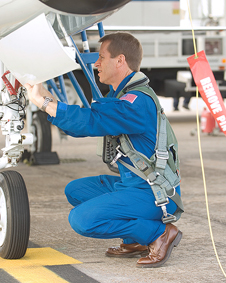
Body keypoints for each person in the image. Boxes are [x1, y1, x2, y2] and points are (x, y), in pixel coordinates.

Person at [25, 32, 182, 268]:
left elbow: (92, 121)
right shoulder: (123, 96)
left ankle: (158, 234)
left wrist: (44, 103)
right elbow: (85, 123)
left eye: (101, 58)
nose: (96, 64)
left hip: (153, 193)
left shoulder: (136, 101)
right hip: (135, 185)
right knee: (75, 190)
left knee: (82, 220)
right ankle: (135, 239)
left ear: (120, 61)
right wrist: (45, 98)